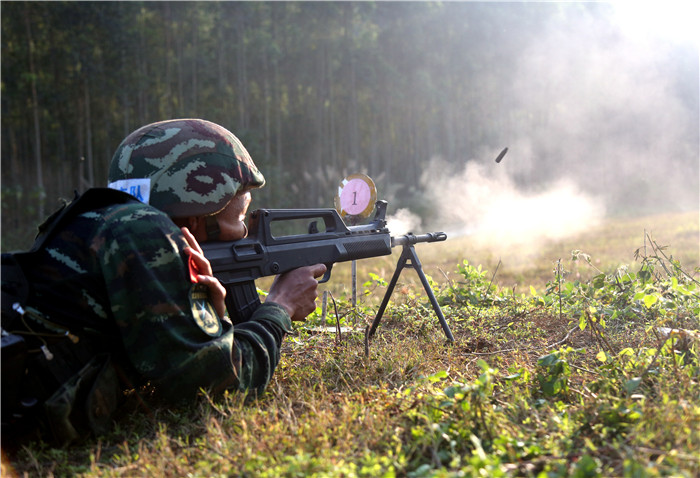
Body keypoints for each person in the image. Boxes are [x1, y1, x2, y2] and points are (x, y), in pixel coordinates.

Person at [1, 119, 325, 445]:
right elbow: (221, 388)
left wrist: (205, 311)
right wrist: (279, 306)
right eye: (241, 218)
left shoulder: (93, 220)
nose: (244, 232)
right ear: (199, 209)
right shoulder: (144, 234)